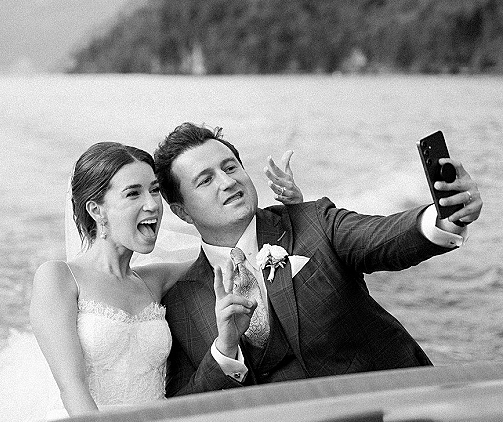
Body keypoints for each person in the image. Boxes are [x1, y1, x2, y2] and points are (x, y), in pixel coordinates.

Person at [153, 123, 483, 396]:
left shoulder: (314, 221)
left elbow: (383, 236)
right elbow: (185, 405)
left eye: (230, 167)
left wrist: (444, 218)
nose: (227, 182)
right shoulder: (180, 301)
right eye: (206, 180)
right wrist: (224, 350)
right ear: (182, 211)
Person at [30, 140, 302, 416]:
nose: (152, 205)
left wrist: (294, 214)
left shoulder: (155, 281)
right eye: (133, 194)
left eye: (154, 190)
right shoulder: (59, 278)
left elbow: (232, 251)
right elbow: (72, 389)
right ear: (96, 210)